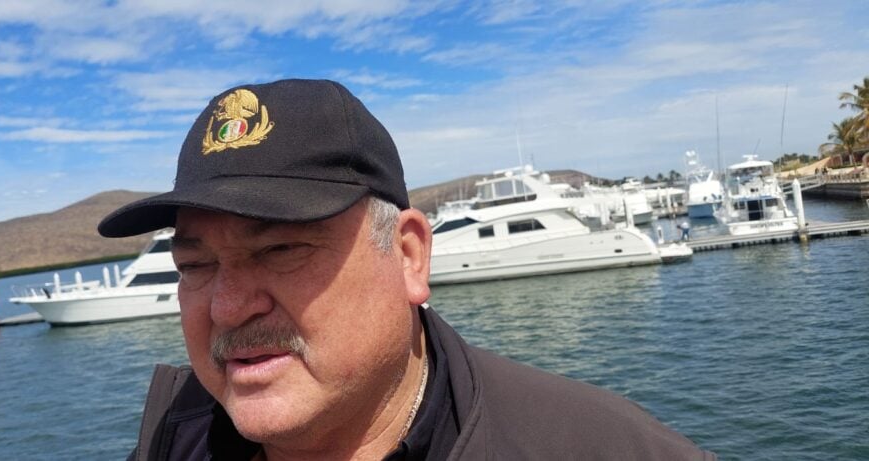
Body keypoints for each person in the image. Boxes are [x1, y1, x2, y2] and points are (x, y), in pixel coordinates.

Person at [99, 79, 715, 460]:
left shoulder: (604, 451)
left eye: (281, 250)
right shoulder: (174, 435)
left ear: (409, 255)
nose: (228, 307)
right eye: (196, 264)